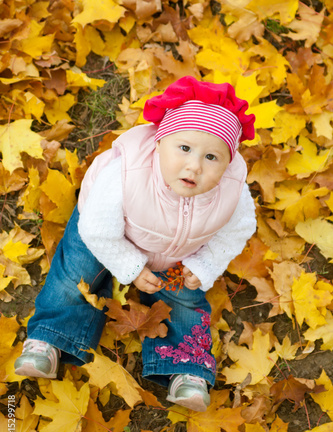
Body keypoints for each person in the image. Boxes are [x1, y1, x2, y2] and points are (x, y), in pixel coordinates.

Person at [15, 76, 256, 412]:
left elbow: (237, 232)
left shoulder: (233, 191)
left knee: (185, 298)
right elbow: (98, 229)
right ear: (159, 143)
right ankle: (51, 337)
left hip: (177, 253)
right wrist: (131, 267)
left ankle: (186, 368)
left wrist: (204, 266)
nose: (195, 165)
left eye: (212, 157)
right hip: (107, 232)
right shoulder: (127, 173)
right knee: (75, 275)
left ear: (228, 162)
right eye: (184, 149)